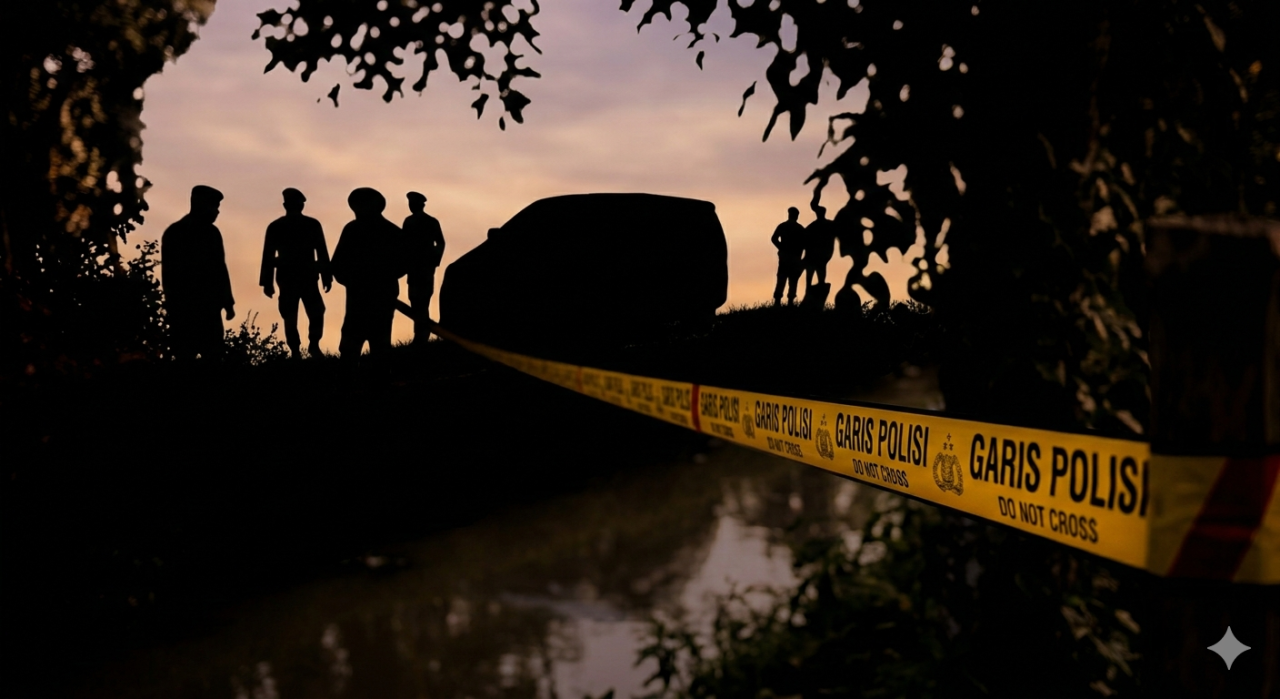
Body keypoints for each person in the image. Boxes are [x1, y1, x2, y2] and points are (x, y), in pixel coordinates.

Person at [330, 187, 405, 372]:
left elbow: (405, 262)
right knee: (352, 342)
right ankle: (349, 382)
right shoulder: (352, 230)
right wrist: (351, 280)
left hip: (380, 295)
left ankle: (377, 382)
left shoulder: (390, 232)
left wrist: (378, 278)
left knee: (378, 342)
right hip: (359, 296)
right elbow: (338, 264)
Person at [162, 185, 235, 360]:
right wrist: (227, 301)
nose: (217, 212)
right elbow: (170, 273)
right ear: (200, 204)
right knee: (194, 355)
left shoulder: (208, 233)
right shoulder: (178, 233)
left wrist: (227, 302)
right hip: (191, 307)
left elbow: (220, 268)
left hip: (200, 307)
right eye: (214, 206)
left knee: (206, 355)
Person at [259, 188, 332, 359]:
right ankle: (296, 350)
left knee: (314, 312)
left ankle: (312, 345)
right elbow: (268, 255)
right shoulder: (277, 226)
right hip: (289, 278)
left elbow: (321, 251)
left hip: (306, 277)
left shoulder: (311, 225)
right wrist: (267, 282)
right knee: (291, 315)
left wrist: (326, 275)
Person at [401, 191, 445, 343]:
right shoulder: (410, 221)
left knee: (422, 300)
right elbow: (403, 245)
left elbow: (440, 242)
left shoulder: (428, 222)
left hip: (423, 267)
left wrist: (433, 260)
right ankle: (420, 333)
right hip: (415, 267)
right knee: (416, 301)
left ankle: (422, 335)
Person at [771, 206, 806, 304]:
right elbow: (805, 243)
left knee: (783, 278)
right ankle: (789, 300)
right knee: (792, 279)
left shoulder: (783, 226)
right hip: (793, 257)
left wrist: (781, 248)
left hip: (787, 257)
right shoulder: (800, 228)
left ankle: (779, 300)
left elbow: (774, 239)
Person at [803, 205, 836, 290]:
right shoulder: (829, 224)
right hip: (821, 253)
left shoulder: (814, 226)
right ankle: (814, 286)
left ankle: (813, 286)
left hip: (819, 253)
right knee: (818, 268)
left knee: (815, 269)